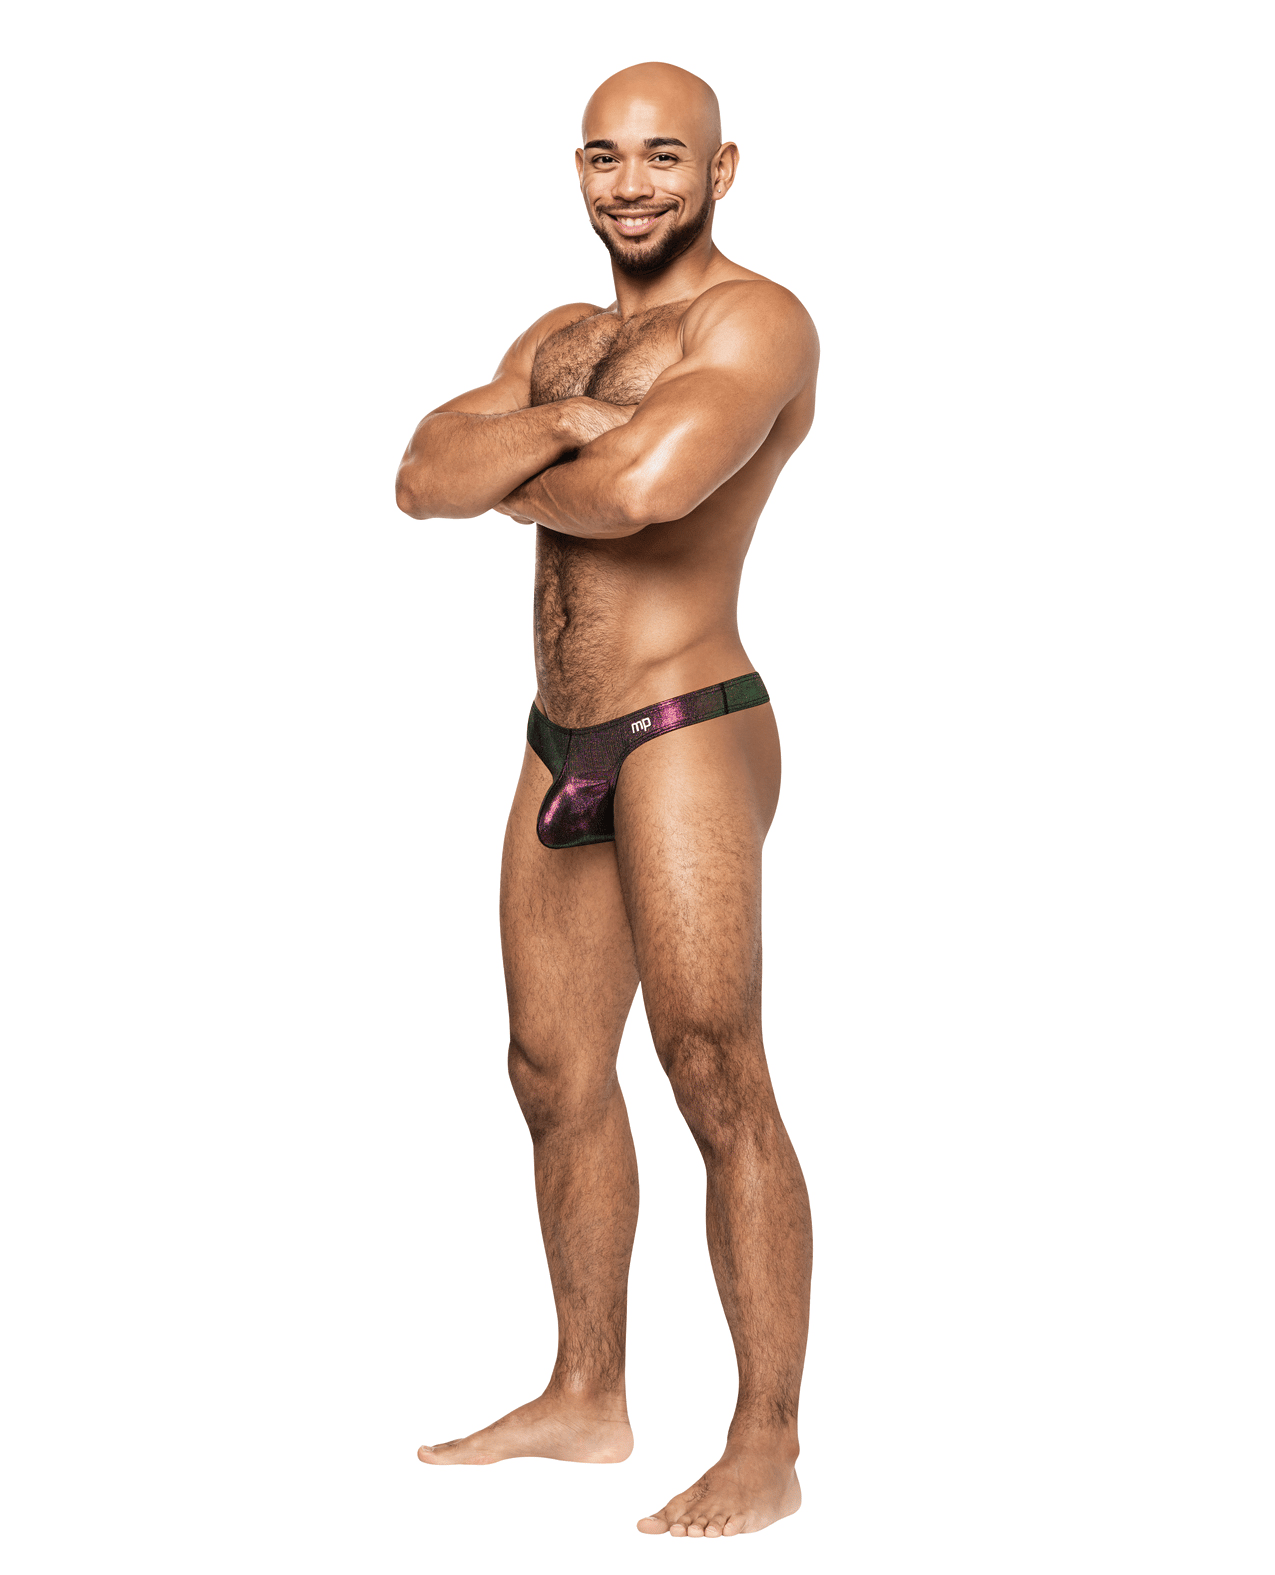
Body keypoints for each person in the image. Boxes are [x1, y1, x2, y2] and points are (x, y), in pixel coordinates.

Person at [396, 60, 819, 1539]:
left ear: (721, 168)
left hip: (688, 721)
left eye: (663, 156)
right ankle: (587, 1392)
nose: (631, 184)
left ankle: (765, 1441)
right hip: (557, 731)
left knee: (713, 1067)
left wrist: (529, 464)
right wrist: (567, 428)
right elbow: (420, 473)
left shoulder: (755, 321)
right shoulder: (560, 336)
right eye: (603, 156)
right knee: (548, 1068)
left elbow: (646, 491)